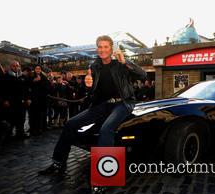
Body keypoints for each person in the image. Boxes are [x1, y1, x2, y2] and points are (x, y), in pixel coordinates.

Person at [39, 35, 147, 175]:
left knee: (106, 129)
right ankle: (58, 163)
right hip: (101, 105)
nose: (102, 50)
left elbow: (143, 75)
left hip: (122, 103)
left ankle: (105, 175)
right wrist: (88, 85)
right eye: (100, 47)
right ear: (97, 49)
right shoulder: (94, 66)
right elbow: (92, 90)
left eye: (106, 47)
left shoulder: (120, 63)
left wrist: (125, 61)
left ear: (111, 48)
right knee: (70, 124)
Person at [3, 61, 30, 139]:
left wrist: (27, 98)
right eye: (14, 66)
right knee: (11, 118)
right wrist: (5, 100)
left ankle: (20, 133)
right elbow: (3, 90)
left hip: (21, 102)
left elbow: (26, 89)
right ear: (11, 67)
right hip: (11, 102)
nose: (16, 67)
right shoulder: (6, 76)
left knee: (21, 118)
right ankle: (9, 134)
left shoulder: (23, 77)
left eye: (17, 66)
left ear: (19, 67)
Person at [29, 66, 49, 135]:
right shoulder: (31, 76)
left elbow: (46, 87)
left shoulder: (44, 77)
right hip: (33, 100)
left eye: (39, 69)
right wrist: (34, 81)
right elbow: (27, 85)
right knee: (32, 115)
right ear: (34, 69)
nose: (38, 70)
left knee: (40, 115)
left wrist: (41, 81)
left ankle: (39, 128)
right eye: (36, 69)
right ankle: (32, 129)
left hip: (41, 100)